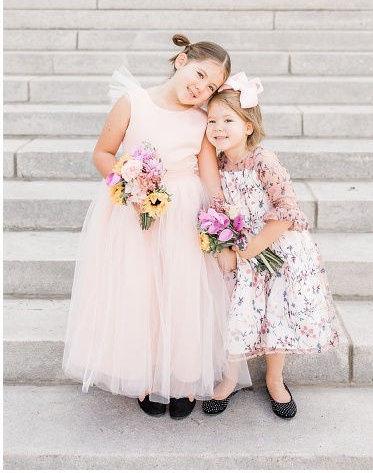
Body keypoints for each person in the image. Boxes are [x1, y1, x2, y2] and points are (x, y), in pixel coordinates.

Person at [62, 34, 250, 420]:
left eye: (211, 86)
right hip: (136, 211)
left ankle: (182, 378)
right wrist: (129, 185)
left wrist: (223, 227)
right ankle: (143, 374)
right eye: (199, 74)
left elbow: (210, 177)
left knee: (181, 289)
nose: (201, 88)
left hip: (183, 210)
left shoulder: (202, 120)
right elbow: (103, 152)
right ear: (181, 61)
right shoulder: (134, 102)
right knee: (141, 288)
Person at [200, 78, 340, 419]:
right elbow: (218, 208)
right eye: (212, 121)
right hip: (241, 251)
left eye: (228, 120)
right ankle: (230, 378)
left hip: (274, 251)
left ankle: (275, 379)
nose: (218, 128)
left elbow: (286, 212)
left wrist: (249, 249)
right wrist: (226, 246)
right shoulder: (217, 164)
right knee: (236, 314)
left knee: (275, 316)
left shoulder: (263, 160)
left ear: (248, 127)